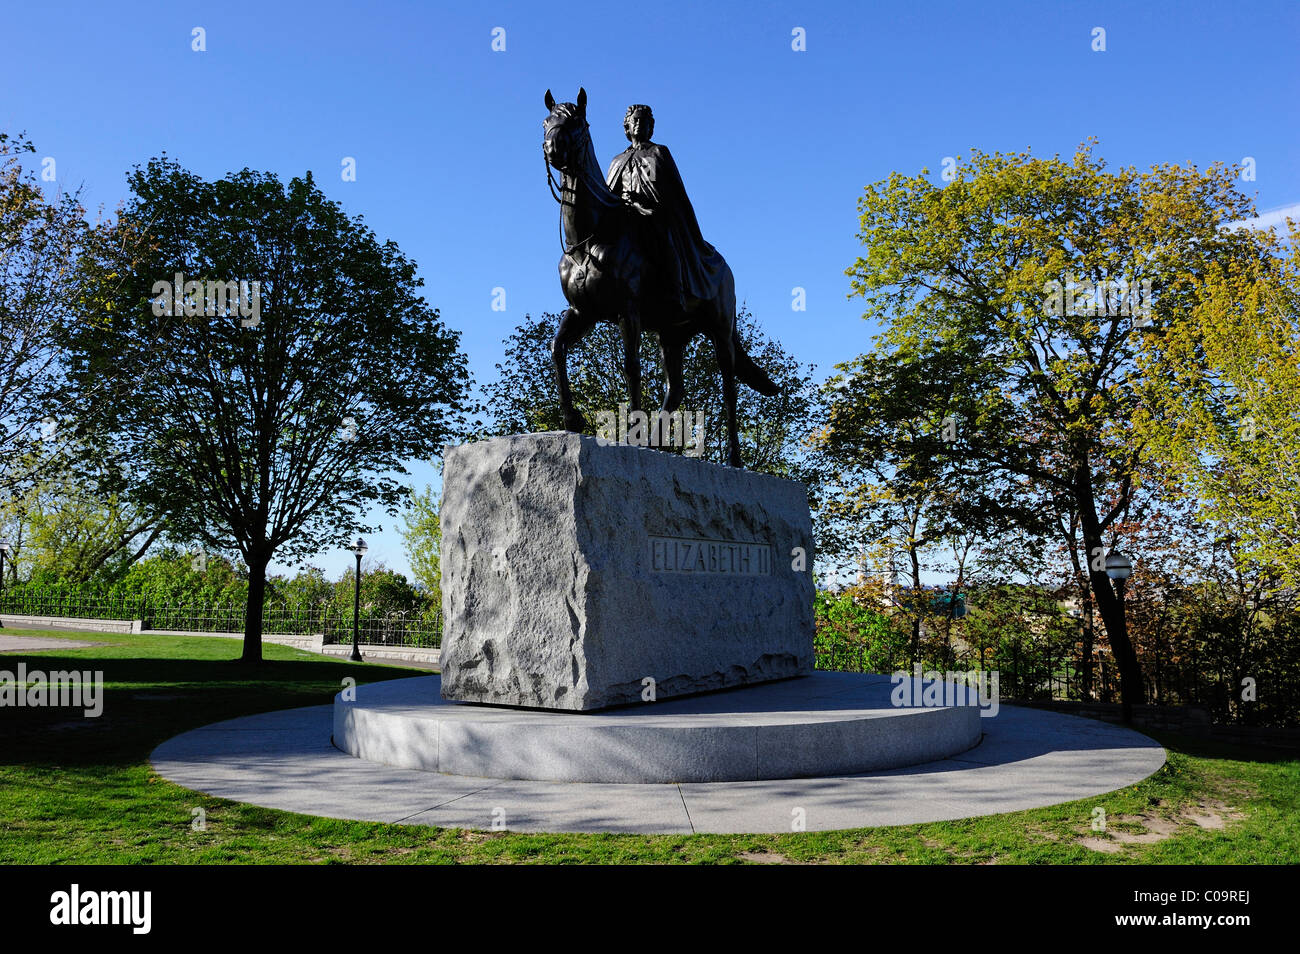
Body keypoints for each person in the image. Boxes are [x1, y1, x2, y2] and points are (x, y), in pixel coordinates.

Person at [605, 104, 726, 310]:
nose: (639, 124)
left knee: (663, 239)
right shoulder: (618, 160)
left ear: (650, 126)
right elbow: (608, 195)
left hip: (653, 214)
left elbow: (673, 190)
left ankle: (675, 289)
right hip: (625, 215)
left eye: (644, 121)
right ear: (627, 126)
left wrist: (649, 205)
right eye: (635, 120)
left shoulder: (658, 152)